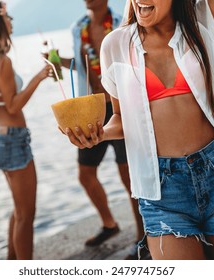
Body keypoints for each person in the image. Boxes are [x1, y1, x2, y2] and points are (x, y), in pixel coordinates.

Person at [64, 0, 214, 260]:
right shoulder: (115, 45)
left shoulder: (200, 23)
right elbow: (120, 116)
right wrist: (100, 134)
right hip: (162, 189)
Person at [57, 0, 145, 258]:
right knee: (85, 174)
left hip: (120, 106)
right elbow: (80, 61)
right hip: (90, 108)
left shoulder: (121, 22)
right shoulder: (77, 28)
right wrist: (56, 62)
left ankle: (142, 239)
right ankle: (110, 224)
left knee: (129, 177)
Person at [0, 1, 50, 259]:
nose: (12, 22)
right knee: (27, 214)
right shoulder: (1, 61)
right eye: (8, 16)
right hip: (12, 141)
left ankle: (11, 264)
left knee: (19, 210)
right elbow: (13, 106)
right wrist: (40, 76)